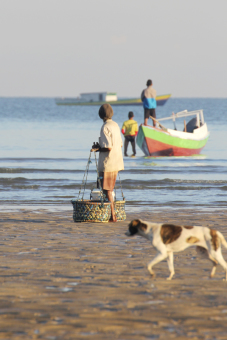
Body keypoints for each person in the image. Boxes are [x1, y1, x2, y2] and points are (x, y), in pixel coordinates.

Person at [91, 103, 124, 222]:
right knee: (109, 189)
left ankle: (112, 216)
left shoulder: (105, 127)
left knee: (107, 190)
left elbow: (108, 147)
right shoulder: (115, 125)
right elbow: (119, 144)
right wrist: (100, 147)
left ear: (101, 115)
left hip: (108, 162)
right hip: (116, 161)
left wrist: (98, 148)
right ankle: (111, 214)